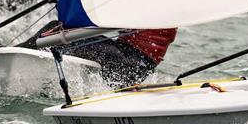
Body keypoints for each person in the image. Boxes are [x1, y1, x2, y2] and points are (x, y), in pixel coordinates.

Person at [18, 22, 178, 88]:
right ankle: (21, 57)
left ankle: (16, 53)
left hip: (128, 64)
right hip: (134, 66)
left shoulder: (157, 3)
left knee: (59, 27)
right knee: (62, 30)